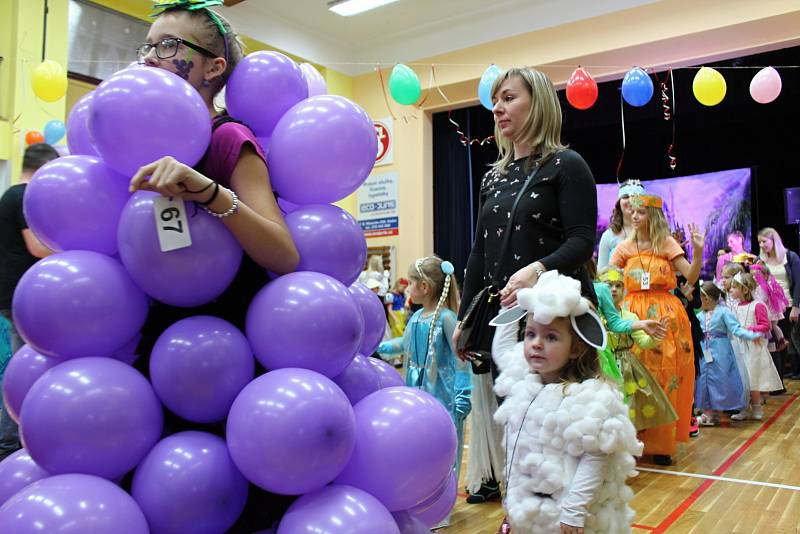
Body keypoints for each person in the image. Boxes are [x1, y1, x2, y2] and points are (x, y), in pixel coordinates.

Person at [131, 2, 299, 529]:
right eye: (147, 47)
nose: (152, 58)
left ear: (213, 67)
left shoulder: (227, 138)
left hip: (224, 349)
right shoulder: (134, 143)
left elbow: (283, 252)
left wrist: (207, 191)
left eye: (169, 46)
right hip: (155, 342)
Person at [453, 67, 599, 504]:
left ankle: (569, 515)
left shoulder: (567, 165)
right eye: (495, 100)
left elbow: (581, 241)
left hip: (557, 321)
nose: (497, 107)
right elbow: (479, 254)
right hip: (509, 327)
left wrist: (537, 268)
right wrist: (464, 319)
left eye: (509, 98)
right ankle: (526, 514)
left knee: (562, 434)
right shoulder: (493, 176)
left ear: (537, 103)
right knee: (518, 431)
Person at [491, 271, 641, 534]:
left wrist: (573, 511)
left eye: (551, 337)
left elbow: (594, 458)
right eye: (530, 334)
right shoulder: (524, 380)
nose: (536, 344)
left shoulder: (588, 398)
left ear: (576, 348)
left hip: (564, 517)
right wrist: (512, 302)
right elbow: (502, 351)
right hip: (528, 508)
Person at [609, 193, 704, 466]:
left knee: (666, 375)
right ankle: (633, 440)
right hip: (633, 314)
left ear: (652, 215)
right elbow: (609, 279)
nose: (634, 216)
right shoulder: (624, 247)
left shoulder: (666, 244)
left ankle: (662, 443)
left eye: (640, 212)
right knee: (634, 376)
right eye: (632, 212)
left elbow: (691, 275)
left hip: (667, 315)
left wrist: (697, 251)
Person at [378, 256, 471, 527]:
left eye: (412, 284)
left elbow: (460, 358)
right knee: (422, 449)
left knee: (445, 450)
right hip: (418, 396)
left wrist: (463, 393)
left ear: (425, 287)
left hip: (444, 396)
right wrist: (376, 346)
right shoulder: (417, 317)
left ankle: (443, 506)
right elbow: (403, 345)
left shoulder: (447, 319)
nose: (408, 289)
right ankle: (422, 502)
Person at [0, 142, 59, 461]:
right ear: (45, 167)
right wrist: (74, 249)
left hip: (14, 293)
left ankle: (12, 439)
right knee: (24, 369)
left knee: (21, 366)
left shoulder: (10, 193)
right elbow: (37, 247)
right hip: (21, 296)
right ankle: (12, 442)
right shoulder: (24, 195)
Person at [598, 267, 676, 433]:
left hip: (627, 368)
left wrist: (656, 337)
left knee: (629, 407)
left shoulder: (630, 317)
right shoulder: (596, 315)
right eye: (608, 285)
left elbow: (644, 342)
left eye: (618, 285)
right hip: (602, 366)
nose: (613, 289)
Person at [695, 281, 761, 426]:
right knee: (703, 379)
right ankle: (708, 412)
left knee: (720, 379)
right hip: (704, 351)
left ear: (706, 298)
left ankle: (715, 412)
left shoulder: (724, 312)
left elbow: (736, 329)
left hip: (720, 351)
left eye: (701, 297)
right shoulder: (700, 316)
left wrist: (753, 335)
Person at [728, 273, 783, 421]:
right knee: (741, 379)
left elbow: (765, 326)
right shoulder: (736, 306)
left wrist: (749, 329)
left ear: (745, 290)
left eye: (734, 287)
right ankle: (744, 408)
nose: (731, 290)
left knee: (753, 378)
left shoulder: (757, 305)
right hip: (739, 347)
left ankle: (757, 406)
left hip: (753, 347)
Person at [757, 228, 800, 379]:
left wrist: (796, 306)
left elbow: (798, 282)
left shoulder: (790, 256)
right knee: (775, 343)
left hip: (788, 304)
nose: (761, 245)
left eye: (764, 241)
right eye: (759, 242)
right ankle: (779, 380)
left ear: (774, 240)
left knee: (790, 341)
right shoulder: (761, 260)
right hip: (770, 308)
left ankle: (790, 373)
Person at [597, 180, 645, 270]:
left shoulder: (654, 233)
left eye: (635, 196)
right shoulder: (608, 236)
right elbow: (601, 274)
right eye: (625, 196)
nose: (630, 200)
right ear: (619, 202)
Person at [750, 261, 790, 352]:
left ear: (765, 276)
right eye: (752, 276)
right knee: (773, 327)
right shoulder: (765, 285)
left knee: (772, 327)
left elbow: (762, 299)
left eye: (757, 275)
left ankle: (780, 341)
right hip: (771, 311)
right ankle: (780, 340)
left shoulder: (763, 286)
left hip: (770, 312)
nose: (754, 278)